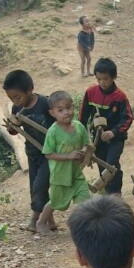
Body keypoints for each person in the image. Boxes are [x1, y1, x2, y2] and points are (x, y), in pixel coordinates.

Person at [2, 69, 54, 233]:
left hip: (50, 153)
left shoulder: (45, 103)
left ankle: (34, 219)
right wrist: (12, 127)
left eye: (17, 97)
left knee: (40, 185)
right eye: (11, 99)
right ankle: (50, 221)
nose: (15, 102)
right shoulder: (17, 109)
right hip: (32, 153)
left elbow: (61, 124)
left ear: (30, 89)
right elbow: (14, 131)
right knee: (35, 185)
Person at [39, 91, 93, 232]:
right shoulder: (53, 132)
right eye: (60, 110)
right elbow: (48, 154)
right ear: (52, 113)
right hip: (60, 176)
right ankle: (41, 221)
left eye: (69, 107)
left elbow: (86, 144)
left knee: (85, 200)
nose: (66, 112)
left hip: (76, 174)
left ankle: (84, 227)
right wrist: (69, 156)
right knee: (57, 203)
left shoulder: (79, 127)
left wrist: (84, 151)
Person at [79, 57, 133, 196]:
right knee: (102, 164)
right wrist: (84, 137)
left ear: (113, 77)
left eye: (106, 79)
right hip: (98, 139)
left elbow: (127, 118)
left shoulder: (120, 97)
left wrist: (114, 132)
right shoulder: (90, 92)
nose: (102, 82)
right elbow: (82, 117)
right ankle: (107, 194)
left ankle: (115, 194)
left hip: (115, 139)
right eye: (99, 79)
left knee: (111, 164)